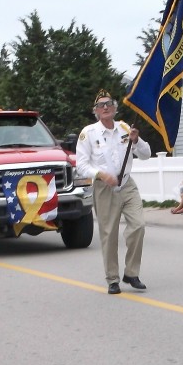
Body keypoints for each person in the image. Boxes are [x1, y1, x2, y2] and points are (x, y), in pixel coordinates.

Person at [74, 90, 152, 294]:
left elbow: (146, 154)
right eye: (101, 105)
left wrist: (136, 141)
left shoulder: (125, 128)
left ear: (115, 107)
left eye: (109, 103)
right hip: (104, 187)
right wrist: (100, 174)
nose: (106, 107)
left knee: (138, 226)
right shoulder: (89, 133)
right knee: (109, 234)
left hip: (127, 184)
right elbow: (81, 165)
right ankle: (112, 279)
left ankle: (131, 273)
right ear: (96, 112)